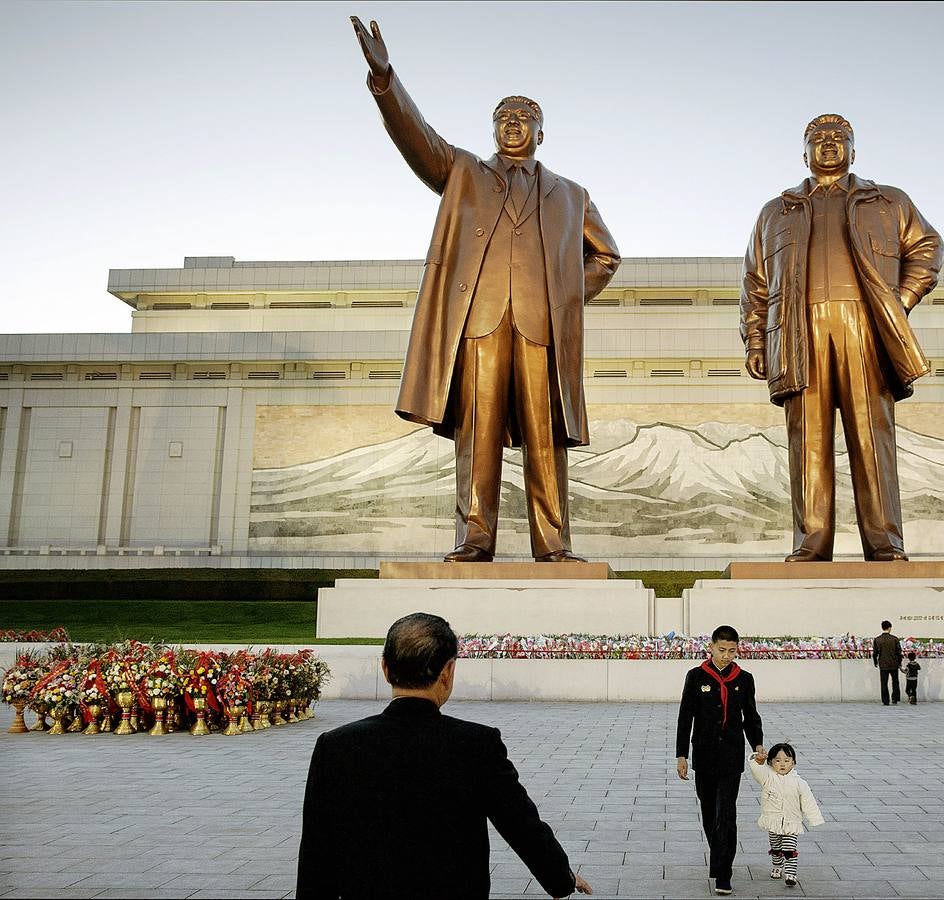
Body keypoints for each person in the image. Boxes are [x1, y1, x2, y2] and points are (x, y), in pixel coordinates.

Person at [350, 17, 621, 563]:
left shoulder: (571, 194)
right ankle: (475, 538)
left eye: (525, 118)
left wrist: (563, 296)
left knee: (547, 440)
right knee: (478, 435)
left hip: (541, 330)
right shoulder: (462, 172)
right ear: (492, 128)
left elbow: (607, 256)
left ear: (541, 133)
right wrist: (386, 79)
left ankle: (553, 544)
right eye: (504, 117)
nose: (513, 123)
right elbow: (417, 137)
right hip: (479, 325)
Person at [740, 113, 943, 562]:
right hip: (798, 332)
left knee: (872, 435)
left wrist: (898, 301)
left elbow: (927, 247)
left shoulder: (887, 200)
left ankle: (885, 543)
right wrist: (756, 343)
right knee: (808, 441)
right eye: (818, 139)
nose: (829, 145)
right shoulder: (776, 211)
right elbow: (755, 283)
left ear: (853, 149)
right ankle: (811, 543)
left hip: (863, 326)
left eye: (839, 139)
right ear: (804, 151)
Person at [296, 612, 592, 899]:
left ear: (385, 669)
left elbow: (316, 856)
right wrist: (560, 879)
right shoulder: (477, 744)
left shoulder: (335, 746)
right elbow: (521, 825)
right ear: (448, 672)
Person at [676, 624, 765, 896]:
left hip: (731, 755)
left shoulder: (745, 678)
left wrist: (759, 745)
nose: (727, 655)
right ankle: (721, 855)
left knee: (726, 813)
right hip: (703, 755)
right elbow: (685, 717)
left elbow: (751, 716)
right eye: (722, 650)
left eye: (732, 650)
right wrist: (681, 755)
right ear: (711, 647)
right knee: (708, 811)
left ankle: (723, 873)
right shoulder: (695, 676)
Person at [746, 742, 825, 888]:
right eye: (777, 760)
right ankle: (777, 865)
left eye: (786, 760)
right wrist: (757, 760)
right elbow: (756, 769)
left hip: (791, 822)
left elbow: (808, 801)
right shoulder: (767, 777)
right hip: (773, 821)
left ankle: (790, 874)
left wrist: (814, 818)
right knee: (776, 846)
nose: (782, 764)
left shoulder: (799, 783)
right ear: (770, 762)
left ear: (793, 762)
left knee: (789, 848)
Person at [872, 620, 902, 705]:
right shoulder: (894, 639)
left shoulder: (877, 640)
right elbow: (899, 653)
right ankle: (895, 699)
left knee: (884, 683)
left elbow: (874, 653)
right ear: (889, 628)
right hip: (893, 664)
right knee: (895, 682)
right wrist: (899, 663)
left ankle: (885, 700)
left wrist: (875, 662)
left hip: (883, 664)